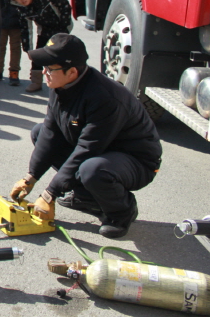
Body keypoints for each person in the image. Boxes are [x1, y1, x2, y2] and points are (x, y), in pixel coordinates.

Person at [9, 34, 162, 239]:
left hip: (135, 161)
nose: (44, 72)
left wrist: (49, 194)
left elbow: (88, 149)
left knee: (92, 169)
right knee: (39, 132)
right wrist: (30, 177)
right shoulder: (60, 86)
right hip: (100, 152)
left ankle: (122, 212)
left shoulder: (104, 97)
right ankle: (86, 197)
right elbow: (51, 132)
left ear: (72, 72)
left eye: (50, 68)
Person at [6, 0, 73, 92]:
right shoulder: (22, 9)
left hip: (61, 27)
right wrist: (28, 49)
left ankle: (65, 81)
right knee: (38, 55)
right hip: (44, 30)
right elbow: (26, 29)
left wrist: (64, 30)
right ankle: (36, 82)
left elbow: (65, 6)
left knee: (61, 56)